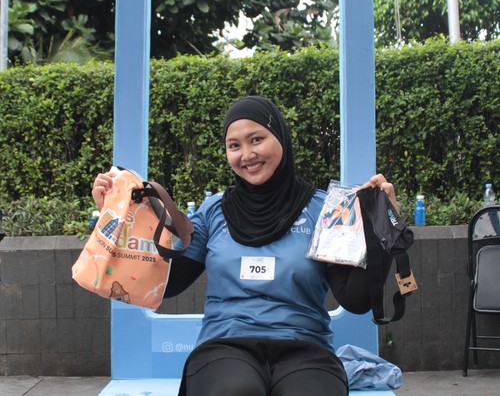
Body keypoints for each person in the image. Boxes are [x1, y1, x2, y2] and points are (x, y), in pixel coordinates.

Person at [92, 96, 398, 396]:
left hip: (306, 349)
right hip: (224, 348)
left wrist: (383, 228)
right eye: (234, 145)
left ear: (281, 138)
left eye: (257, 140)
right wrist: (120, 219)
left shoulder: (327, 210)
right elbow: (166, 285)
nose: (247, 154)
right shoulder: (213, 211)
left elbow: (356, 300)